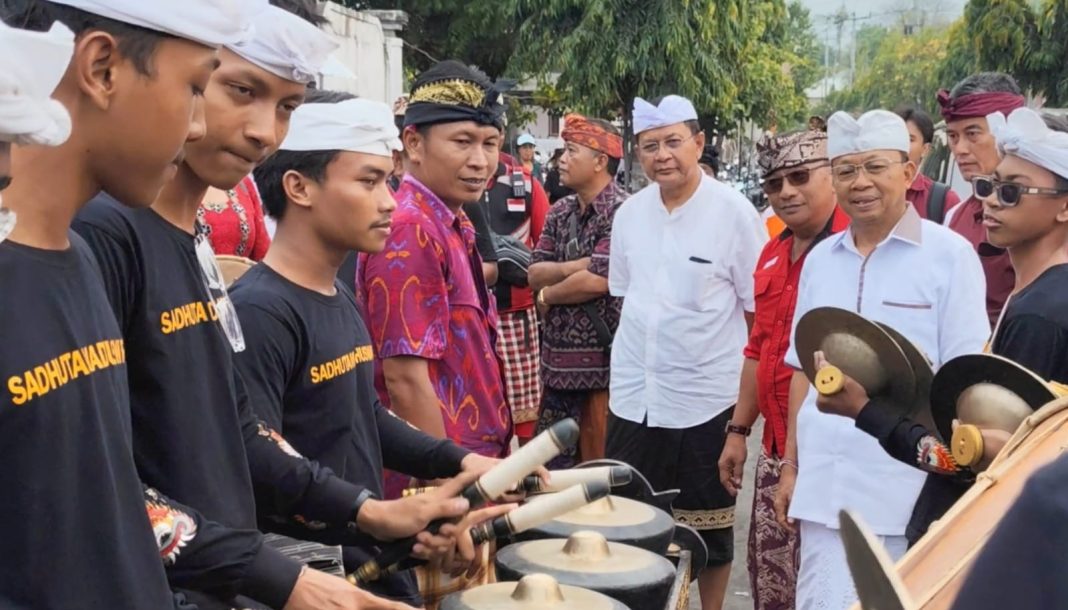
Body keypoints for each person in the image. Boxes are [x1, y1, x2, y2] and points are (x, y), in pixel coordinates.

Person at [70, 5, 464, 609]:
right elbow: (96, 479)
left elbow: (240, 431)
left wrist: (366, 511)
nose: (265, 133)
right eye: (235, 90)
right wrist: (286, 578)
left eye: (285, 108)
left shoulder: (194, 241)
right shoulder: (106, 235)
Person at [0, 3, 357, 609]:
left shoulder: (77, 262)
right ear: (102, 68)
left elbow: (108, 502)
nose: (200, 126)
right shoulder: (95, 245)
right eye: (198, 87)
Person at [235, 92, 513, 606]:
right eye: (368, 181)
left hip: (366, 556)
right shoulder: (259, 313)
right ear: (298, 187)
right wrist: (367, 510)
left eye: (388, 180)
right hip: (314, 580)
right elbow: (261, 461)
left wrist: (459, 461)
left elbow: (364, 415)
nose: (389, 200)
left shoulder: (337, 294)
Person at [816, 107, 1068, 547]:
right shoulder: (1037, 295)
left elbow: (984, 462)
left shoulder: (1040, 315)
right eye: (988, 186)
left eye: (1011, 192)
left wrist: (865, 411)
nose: (989, 199)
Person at [773, 110, 989, 610]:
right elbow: (802, 371)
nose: (860, 182)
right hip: (824, 491)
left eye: (875, 167)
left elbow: (962, 386)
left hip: (905, 491)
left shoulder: (949, 257)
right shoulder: (822, 260)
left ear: (908, 173)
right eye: (845, 170)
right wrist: (791, 466)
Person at [606, 94, 765, 610]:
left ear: (698, 143)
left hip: (704, 395)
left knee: (709, 526)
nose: (662, 155)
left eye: (674, 141)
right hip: (634, 395)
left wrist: (743, 415)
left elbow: (755, 314)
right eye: (650, 146)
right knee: (632, 520)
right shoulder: (629, 214)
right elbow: (625, 294)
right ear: (637, 152)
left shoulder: (736, 215)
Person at [358, 60, 513, 493]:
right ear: (414, 143)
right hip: (438, 479)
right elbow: (404, 380)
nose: (480, 161)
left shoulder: (451, 222)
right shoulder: (411, 229)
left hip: (473, 463)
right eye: (462, 141)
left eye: (490, 143)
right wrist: (445, 489)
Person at [717, 126, 850, 610]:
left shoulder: (853, 249)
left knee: (827, 589)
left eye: (799, 177)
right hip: (774, 449)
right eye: (774, 184)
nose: (786, 192)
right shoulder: (773, 250)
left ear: (832, 175)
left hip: (833, 456)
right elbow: (759, 348)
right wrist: (738, 430)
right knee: (772, 585)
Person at [529, 114, 626, 468]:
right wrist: (579, 264)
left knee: (598, 478)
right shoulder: (560, 211)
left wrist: (549, 296)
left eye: (571, 151)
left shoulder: (623, 211)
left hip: (602, 373)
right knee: (550, 478)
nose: (562, 160)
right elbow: (534, 272)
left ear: (601, 161)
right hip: (556, 370)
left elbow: (599, 281)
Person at [938, 72, 1027, 325]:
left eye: (973, 134)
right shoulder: (954, 216)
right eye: (953, 137)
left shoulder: (1043, 214)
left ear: (1008, 132)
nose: (960, 149)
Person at [483, 137, 549, 442]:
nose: (478, 153)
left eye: (488, 141)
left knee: (525, 407)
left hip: (515, 312)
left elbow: (547, 248)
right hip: (464, 315)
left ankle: (527, 475)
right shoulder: (447, 188)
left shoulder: (526, 186)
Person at [895, 105, 961, 223]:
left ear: (925, 149)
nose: (900, 145)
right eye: (895, 137)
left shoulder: (944, 201)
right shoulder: (871, 193)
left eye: (910, 139)